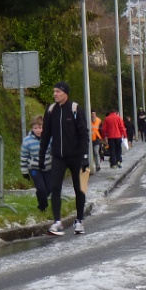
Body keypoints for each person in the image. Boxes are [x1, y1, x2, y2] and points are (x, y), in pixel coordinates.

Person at [39, 81, 90, 236]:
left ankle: (79, 220)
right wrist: (41, 155)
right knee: (55, 188)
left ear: (65, 93)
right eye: (54, 91)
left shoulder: (75, 109)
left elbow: (84, 133)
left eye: (58, 91)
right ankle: (57, 222)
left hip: (77, 156)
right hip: (58, 156)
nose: (54, 94)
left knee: (80, 188)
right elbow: (46, 134)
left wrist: (85, 156)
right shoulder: (51, 110)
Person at [20, 115, 51, 211]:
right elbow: (24, 157)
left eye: (40, 128)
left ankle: (41, 195)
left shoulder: (49, 138)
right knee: (41, 188)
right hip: (34, 168)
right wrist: (24, 171)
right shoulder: (27, 141)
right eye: (35, 128)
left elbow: (54, 152)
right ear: (32, 128)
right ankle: (42, 207)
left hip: (47, 167)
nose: (38, 130)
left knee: (49, 189)